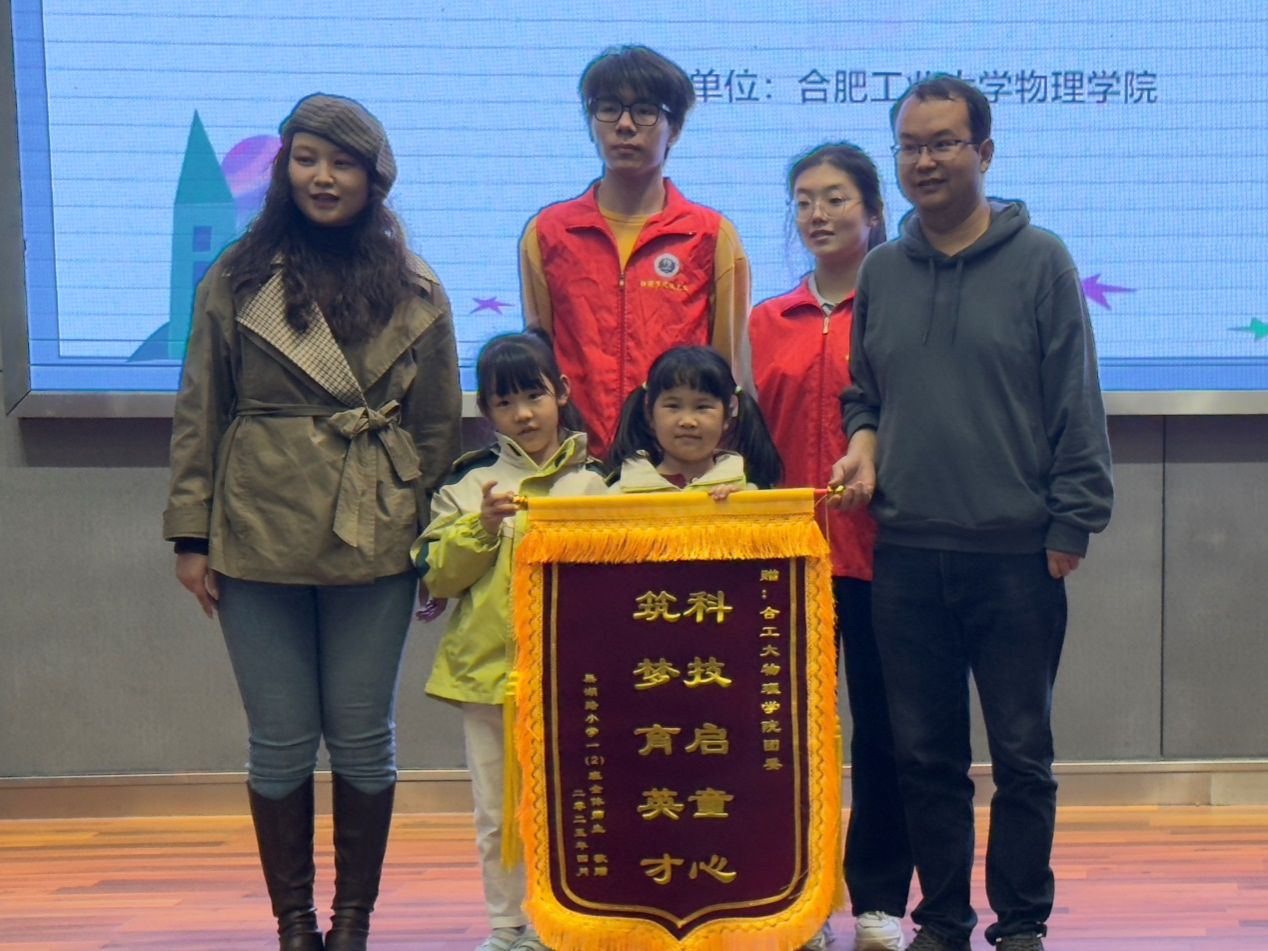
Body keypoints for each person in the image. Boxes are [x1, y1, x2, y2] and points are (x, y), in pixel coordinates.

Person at [163, 93, 462, 951]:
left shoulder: (416, 287)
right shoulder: (236, 278)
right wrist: (191, 535)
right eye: (306, 159)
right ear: (284, 170)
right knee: (279, 740)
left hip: (380, 526)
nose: (322, 177)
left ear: (375, 178)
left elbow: (439, 429)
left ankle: (352, 923)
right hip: (255, 524)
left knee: (364, 736)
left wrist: (439, 545)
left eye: (342, 162)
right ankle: (294, 925)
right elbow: (200, 407)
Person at [829, 76, 1113, 951]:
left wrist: (1071, 523)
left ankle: (1021, 923)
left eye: (944, 143)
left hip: (1016, 555)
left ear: (984, 152)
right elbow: (863, 393)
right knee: (925, 757)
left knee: (1023, 756)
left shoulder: (1042, 261)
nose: (925, 161)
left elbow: (1075, 400)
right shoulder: (882, 269)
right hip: (908, 554)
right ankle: (943, 920)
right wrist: (864, 444)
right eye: (910, 146)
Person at [750, 143, 911, 951]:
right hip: (786, 560)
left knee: (884, 733)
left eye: (837, 198)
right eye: (805, 200)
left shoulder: (902, 311)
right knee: (789, 737)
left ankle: (878, 900)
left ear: (874, 211)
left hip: (886, 554)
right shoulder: (765, 321)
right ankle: (799, 898)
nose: (818, 214)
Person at [416, 332, 607, 951]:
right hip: (489, 677)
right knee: (498, 810)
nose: (523, 414)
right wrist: (482, 527)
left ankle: (569, 921)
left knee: (576, 804)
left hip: (582, 682)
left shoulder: (601, 482)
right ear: (486, 411)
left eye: (534, 395)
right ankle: (508, 925)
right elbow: (437, 575)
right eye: (505, 402)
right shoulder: (469, 483)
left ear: (563, 393)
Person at [520, 44, 752, 458]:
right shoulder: (548, 233)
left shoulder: (711, 236)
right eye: (608, 109)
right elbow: (539, 367)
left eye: (645, 111)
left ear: (674, 129)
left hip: (677, 469)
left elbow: (728, 371)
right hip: (576, 467)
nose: (624, 125)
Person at [607, 345, 781, 495]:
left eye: (702, 407)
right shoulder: (620, 494)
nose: (688, 421)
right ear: (649, 412)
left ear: (728, 413)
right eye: (673, 406)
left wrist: (738, 509)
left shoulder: (749, 491)